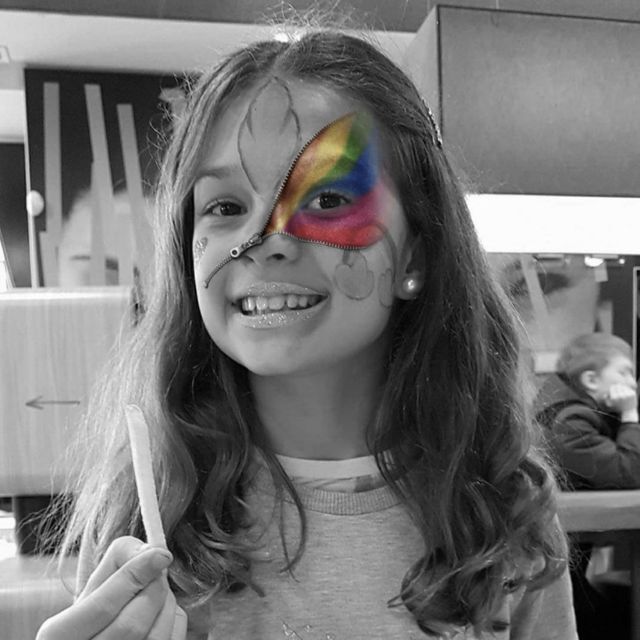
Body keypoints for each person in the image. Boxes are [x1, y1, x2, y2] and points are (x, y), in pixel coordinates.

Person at [36, 28, 576, 640]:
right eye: (225, 207)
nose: (264, 241)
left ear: (416, 256)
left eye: (327, 199)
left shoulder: (500, 506)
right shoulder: (149, 511)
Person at [535, 331, 640, 640]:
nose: (632, 384)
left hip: (566, 550)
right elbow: (628, 473)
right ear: (592, 380)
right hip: (556, 554)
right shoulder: (570, 422)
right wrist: (630, 414)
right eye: (624, 372)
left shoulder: (573, 413)